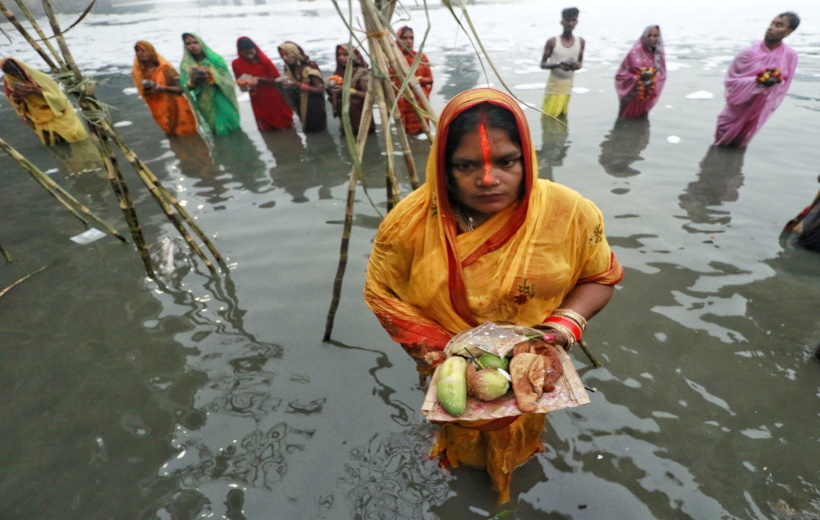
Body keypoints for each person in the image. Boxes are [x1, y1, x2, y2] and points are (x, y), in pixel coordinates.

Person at [364, 88, 624, 503]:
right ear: (445, 169)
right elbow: (383, 293)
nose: (487, 179)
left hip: (533, 357)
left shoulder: (569, 212)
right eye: (466, 166)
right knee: (460, 433)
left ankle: (510, 476)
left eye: (506, 162)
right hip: (448, 364)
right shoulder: (409, 225)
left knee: (522, 430)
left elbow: (599, 276)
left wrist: (561, 327)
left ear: (527, 158)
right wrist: (443, 354)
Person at [714, 12, 799, 148]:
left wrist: (775, 81)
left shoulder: (790, 56)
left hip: (757, 110)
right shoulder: (748, 53)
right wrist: (758, 82)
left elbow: (784, 85)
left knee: (741, 145)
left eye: (778, 25)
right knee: (720, 143)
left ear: (788, 32)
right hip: (737, 109)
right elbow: (731, 82)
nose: (771, 28)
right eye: (771, 23)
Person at [1, 57, 88, 145]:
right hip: (40, 120)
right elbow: (18, 106)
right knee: (54, 146)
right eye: (14, 75)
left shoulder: (43, 79)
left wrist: (36, 91)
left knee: (77, 141)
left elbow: (61, 101)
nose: (18, 77)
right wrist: (17, 96)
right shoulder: (10, 84)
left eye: (18, 74)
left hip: (60, 116)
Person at [180, 33, 241, 136]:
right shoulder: (186, 65)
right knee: (216, 131)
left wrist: (211, 74)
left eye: (195, 42)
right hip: (205, 102)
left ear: (201, 43)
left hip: (222, 97)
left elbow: (229, 81)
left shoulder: (216, 60)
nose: (192, 46)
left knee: (233, 126)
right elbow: (184, 87)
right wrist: (193, 82)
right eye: (188, 44)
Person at [132, 41, 198, 136]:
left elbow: (181, 89)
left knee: (190, 135)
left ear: (151, 51)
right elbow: (143, 92)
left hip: (178, 107)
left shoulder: (165, 68)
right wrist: (150, 90)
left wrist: (163, 88)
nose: (141, 53)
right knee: (172, 135)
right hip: (159, 109)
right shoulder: (139, 73)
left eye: (144, 50)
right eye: (138, 51)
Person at [231, 36, 293, 131]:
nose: (249, 56)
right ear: (240, 52)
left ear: (255, 49)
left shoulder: (264, 61)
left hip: (274, 98)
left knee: (284, 126)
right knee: (265, 128)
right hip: (257, 99)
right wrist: (244, 84)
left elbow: (277, 81)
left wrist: (259, 80)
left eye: (251, 52)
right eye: (245, 54)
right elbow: (238, 80)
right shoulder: (236, 64)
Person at [539, 7, 585, 118]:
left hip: (568, 86)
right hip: (553, 87)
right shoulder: (553, 41)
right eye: (567, 20)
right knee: (548, 117)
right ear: (562, 22)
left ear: (576, 22)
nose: (570, 23)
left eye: (573, 20)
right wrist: (559, 64)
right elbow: (543, 64)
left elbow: (579, 64)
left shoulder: (580, 42)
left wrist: (576, 66)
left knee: (562, 118)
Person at [615, 25, 666, 119]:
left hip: (647, 95)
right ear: (644, 36)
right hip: (633, 96)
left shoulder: (657, 55)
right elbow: (620, 76)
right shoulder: (634, 53)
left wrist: (653, 78)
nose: (652, 38)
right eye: (649, 35)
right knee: (627, 120)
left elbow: (662, 74)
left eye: (655, 36)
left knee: (643, 122)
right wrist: (638, 78)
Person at [276, 42, 327, 133]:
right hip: (299, 103)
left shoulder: (310, 68)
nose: (284, 58)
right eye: (282, 55)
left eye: (287, 54)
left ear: (295, 53)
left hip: (314, 105)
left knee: (316, 130)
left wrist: (298, 85)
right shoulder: (289, 68)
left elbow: (321, 89)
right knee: (307, 130)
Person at [326, 44, 375, 137]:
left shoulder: (362, 73)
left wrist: (347, 90)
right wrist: (329, 89)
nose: (341, 58)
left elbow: (370, 96)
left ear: (353, 56)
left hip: (362, 122)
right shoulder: (338, 73)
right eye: (339, 55)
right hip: (345, 123)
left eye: (345, 54)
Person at [394, 26, 434, 135]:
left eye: (411, 38)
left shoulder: (421, 57)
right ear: (398, 40)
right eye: (405, 38)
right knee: (405, 135)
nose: (409, 41)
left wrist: (419, 81)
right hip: (403, 107)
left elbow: (430, 79)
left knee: (423, 135)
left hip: (421, 104)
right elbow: (391, 84)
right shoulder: (393, 60)